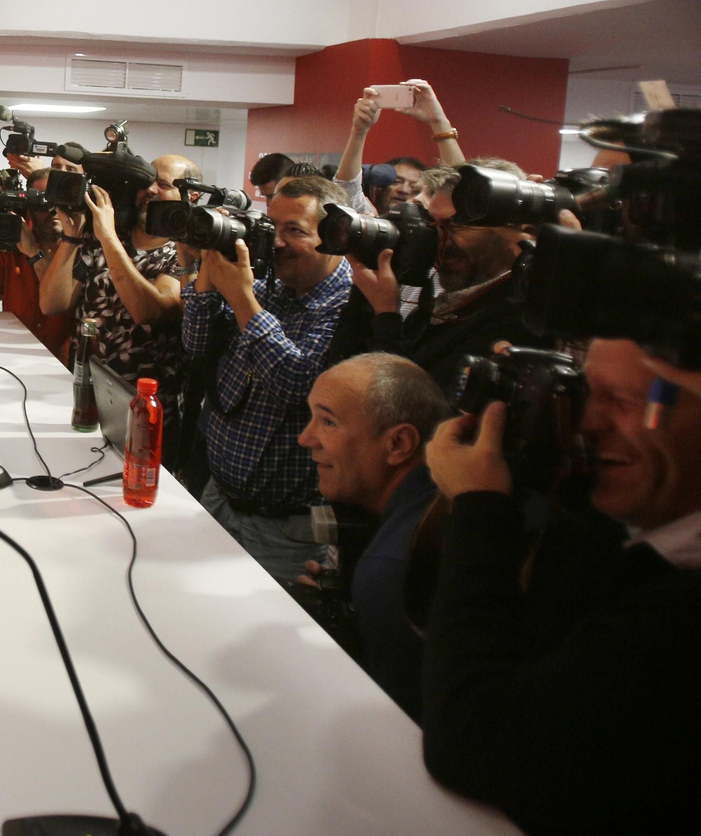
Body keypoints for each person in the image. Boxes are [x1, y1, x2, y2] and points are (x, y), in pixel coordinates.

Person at [421, 339, 701, 833]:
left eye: (625, 400)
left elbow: (474, 743)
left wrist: (479, 508)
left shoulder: (680, 614)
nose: (588, 423)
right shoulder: (624, 521)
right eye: (586, 392)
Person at [181, 175, 358, 583]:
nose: (276, 242)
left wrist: (242, 297)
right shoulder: (268, 286)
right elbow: (196, 343)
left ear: (334, 236)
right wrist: (212, 260)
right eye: (271, 226)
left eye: (294, 231)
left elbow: (297, 386)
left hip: (285, 528)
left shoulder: (347, 306)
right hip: (218, 496)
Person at [296, 354, 450, 720]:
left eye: (328, 421)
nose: (305, 438)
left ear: (398, 444)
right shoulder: (433, 506)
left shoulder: (392, 569)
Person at [351, 157, 544, 390]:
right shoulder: (446, 304)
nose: (439, 240)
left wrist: (386, 315)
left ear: (524, 232)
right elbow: (348, 373)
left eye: (456, 226)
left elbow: (407, 408)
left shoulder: (523, 318)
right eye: (435, 226)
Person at [39, 155, 195, 405]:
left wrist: (108, 237)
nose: (150, 190)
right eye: (147, 182)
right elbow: (51, 304)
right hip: (84, 390)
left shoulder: (184, 253)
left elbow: (149, 310)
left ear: (191, 195)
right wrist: (71, 237)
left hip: (144, 406)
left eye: (164, 185)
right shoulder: (107, 236)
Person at [0, 168, 73, 360]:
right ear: (29, 207)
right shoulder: (11, 249)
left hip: (63, 363)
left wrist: (34, 252)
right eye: (43, 202)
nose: (53, 209)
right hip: (13, 355)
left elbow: (60, 303)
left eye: (59, 202)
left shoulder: (82, 250)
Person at [334, 79, 464, 216]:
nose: (404, 190)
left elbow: (459, 189)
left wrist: (439, 122)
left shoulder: (434, 228)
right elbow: (346, 187)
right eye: (397, 182)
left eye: (415, 189)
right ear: (380, 188)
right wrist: (359, 131)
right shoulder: (370, 223)